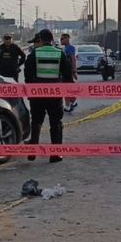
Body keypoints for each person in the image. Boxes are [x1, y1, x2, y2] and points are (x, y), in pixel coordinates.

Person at [24, 29, 73, 163]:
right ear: (52, 40)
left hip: (37, 94)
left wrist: (31, 89)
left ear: (41, 39)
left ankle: (32, 151)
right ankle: (55, 154)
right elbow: (67, 75)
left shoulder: (35, 53)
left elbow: (27, 73)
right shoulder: (59, 53)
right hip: (54, 94)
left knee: (36, 122)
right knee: (56, 123)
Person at [60, 33, 79, 112]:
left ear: (67, 39)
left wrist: (74, 71)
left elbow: (73, 59)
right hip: (65, 72)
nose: (61, 40)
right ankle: (73, 102)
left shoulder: (70, 48)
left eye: (62, 39)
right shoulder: (64, 48)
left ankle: (68, 105)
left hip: (68, 72)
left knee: (66, 88)